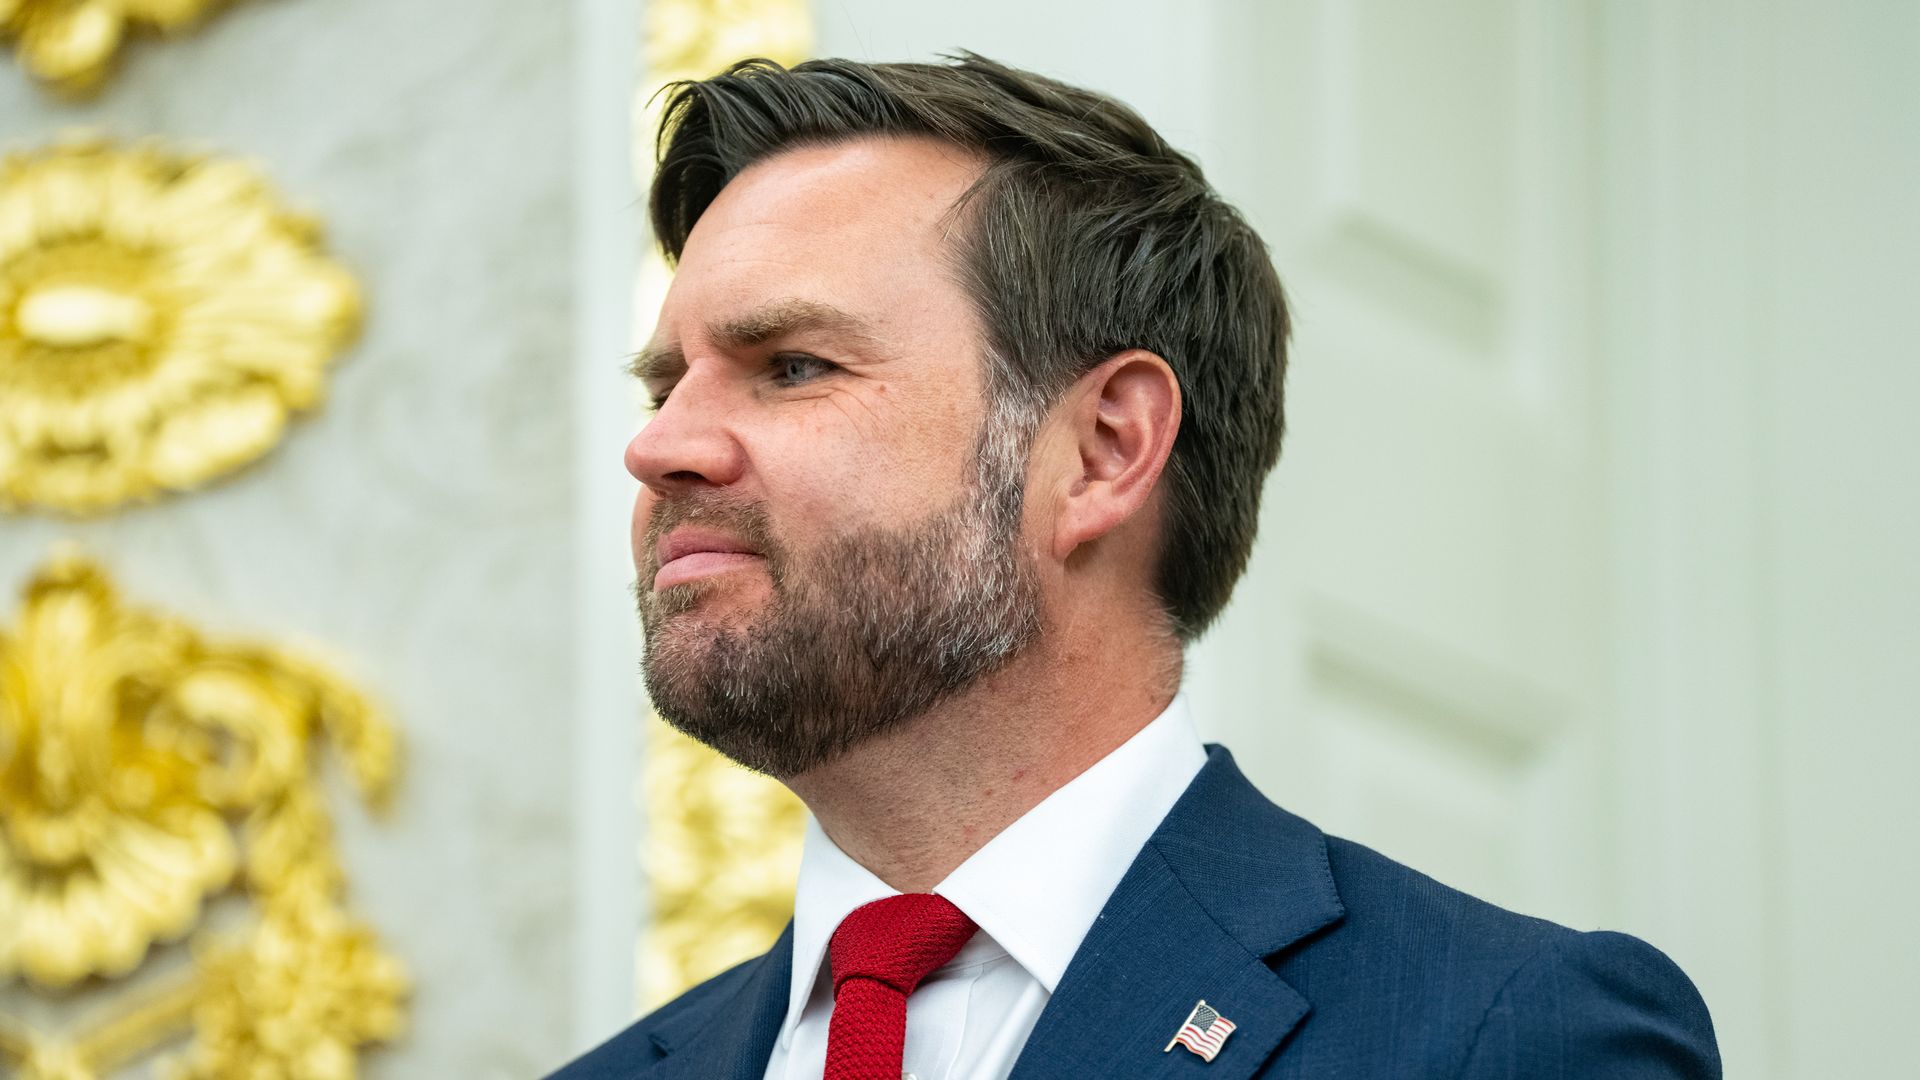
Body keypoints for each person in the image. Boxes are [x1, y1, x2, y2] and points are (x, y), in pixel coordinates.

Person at [550, 54, 1719, 1080]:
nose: (657, 447)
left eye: (793, 365)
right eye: (666, 385)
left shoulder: (1507, 1035)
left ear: (1103, 452)